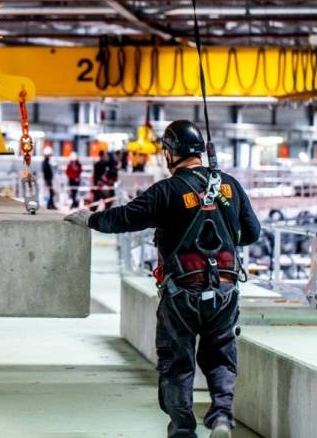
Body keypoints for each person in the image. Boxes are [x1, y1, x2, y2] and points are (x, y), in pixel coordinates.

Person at [65, 120, 261, 438]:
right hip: (225, 291)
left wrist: (91, 219)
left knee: (177, 363)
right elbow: (251, 233)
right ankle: (222, 418)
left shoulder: (167, 191)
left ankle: (183, 430)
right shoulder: (229, 186)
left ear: (170, 153)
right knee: (222, 356)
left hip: (182, 294)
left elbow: (125, 218)